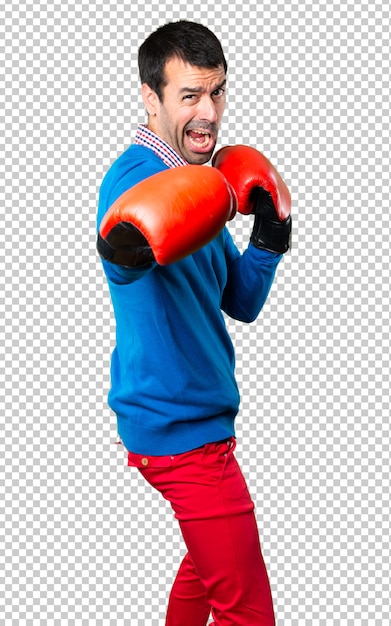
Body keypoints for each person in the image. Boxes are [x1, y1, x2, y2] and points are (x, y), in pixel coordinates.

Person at [96, 20, 291, 626]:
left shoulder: (201, 190)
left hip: (200, 421)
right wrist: (126, 248)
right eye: (189, 96)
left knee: (206, 575)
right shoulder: (133, 180)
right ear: (150, 98)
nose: (209, 112)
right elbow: (123, 247)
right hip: (181, 436)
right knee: (249, 614)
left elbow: (241, 300)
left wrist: (268, 236)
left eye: (218, 92)